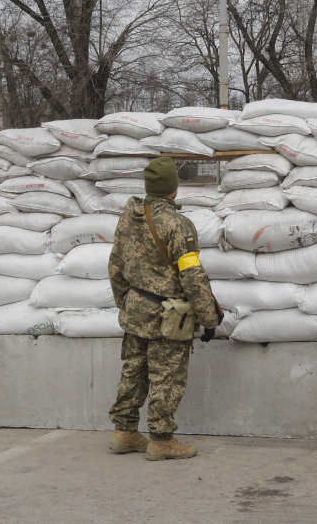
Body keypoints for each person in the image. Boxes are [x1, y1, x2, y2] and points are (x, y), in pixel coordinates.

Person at [107, 157, 221, 461]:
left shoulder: (128, 217)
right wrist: (209, 318)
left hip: (135, 310)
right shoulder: (177, 224)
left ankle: (124, 432)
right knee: (166, 378)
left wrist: (126, 304)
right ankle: (160, 439)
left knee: (133, 371)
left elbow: (116, 264)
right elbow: (192, 275)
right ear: (173, 188)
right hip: (166, 317)